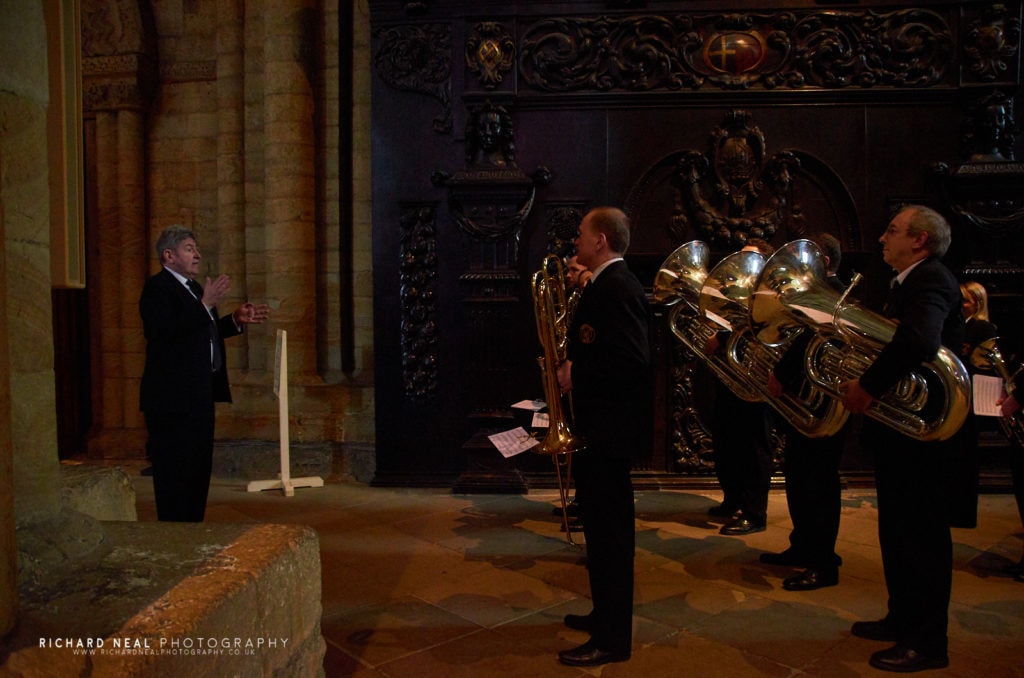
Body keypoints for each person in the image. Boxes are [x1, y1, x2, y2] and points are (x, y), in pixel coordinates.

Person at [840, 205, 964, 673]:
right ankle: (903, 618)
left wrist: (868, 387)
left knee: (921, 539)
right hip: (903, 436)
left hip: (925, 441)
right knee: (897, 532)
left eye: (892, 231)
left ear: (919, 241)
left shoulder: (929, 279)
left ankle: (927, 643)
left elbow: (918, 342)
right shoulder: (908, 282)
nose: (881, 239)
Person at [555, 207, 650, 667]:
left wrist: (579, 370)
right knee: (599, 531)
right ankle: (603, 616)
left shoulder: (619, 287)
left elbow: (633, 361)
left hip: (611, 434)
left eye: (581, 235)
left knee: (611, 537)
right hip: (600, 430)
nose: (576, 241)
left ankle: (613, 640)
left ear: (601, 240)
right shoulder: (605, 284)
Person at [139, 224, 270, 522]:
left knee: (198, 469)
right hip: (171, 400)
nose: (197, 255)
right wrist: (204, 305)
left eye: (196, 249)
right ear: (168, 256)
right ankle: (176, 532)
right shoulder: (157, 288)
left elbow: (200, 334)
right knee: (175, 471)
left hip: (199, 394)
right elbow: (164, 334)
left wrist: (233, 320)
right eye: (189, 249)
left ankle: (193, 527)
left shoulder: (194, 289)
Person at [761, 233, 847, 590]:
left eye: (803, 257)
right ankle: (803, 545)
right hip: (805, 398)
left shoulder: (838, 293)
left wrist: (782, 373)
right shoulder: (813, 292)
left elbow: (814, 337)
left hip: (823, 401)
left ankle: (822, 561)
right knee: (799, 476)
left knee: (819, 482)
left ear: (824, 261)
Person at [707, 238, 775, 536]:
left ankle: (754, 511)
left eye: (750, 259)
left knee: (754, 445)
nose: (742, 265)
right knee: (726, 438)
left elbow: (756, 325)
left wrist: (721, 338)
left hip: (756, 380)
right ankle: (732, 498)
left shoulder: (770, 294)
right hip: (731, 376)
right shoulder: (736, 291)